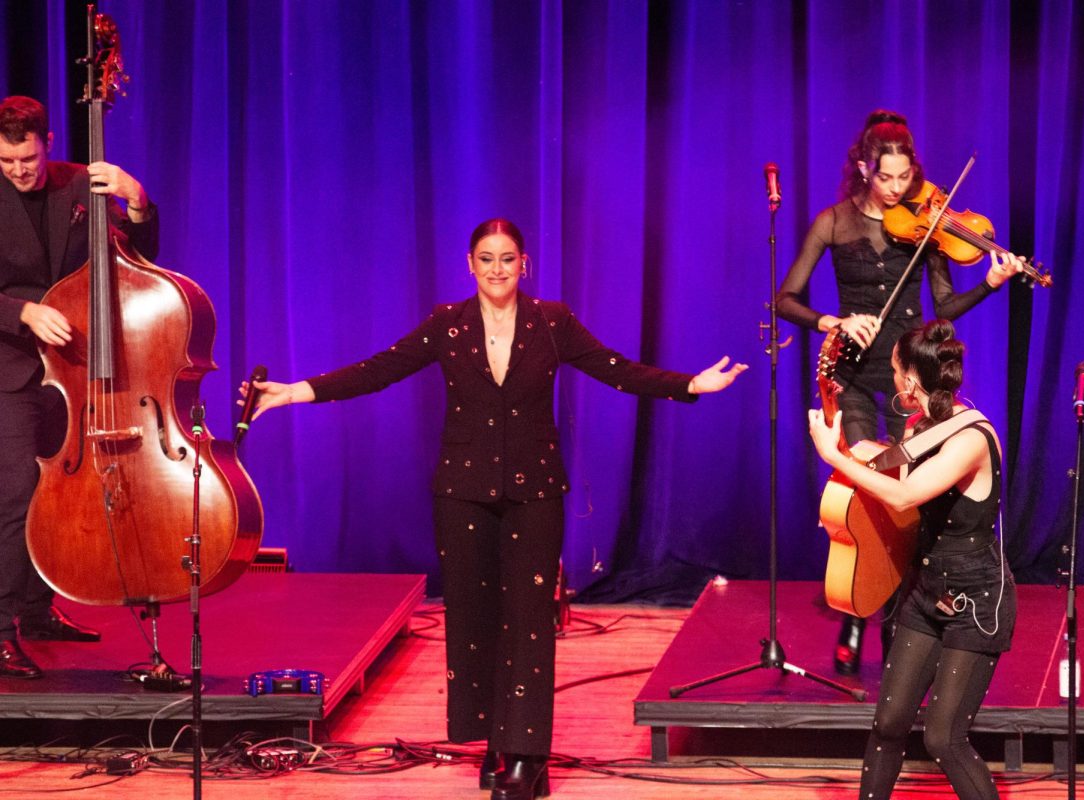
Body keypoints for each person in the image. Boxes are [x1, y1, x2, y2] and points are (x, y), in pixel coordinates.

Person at [244, 218, 747, 800]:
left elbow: (617, 370)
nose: (497, 269)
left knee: (529, 621)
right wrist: (295, 391)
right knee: (475, 620)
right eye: (487, 259)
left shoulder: (551, 323)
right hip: (462, 492)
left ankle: (528, 758)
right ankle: (494, 743)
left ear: (524, 264)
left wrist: (690, 385)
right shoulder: (446, 325)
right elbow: (380, 370)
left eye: (508, 259)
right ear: (470, 264)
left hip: (534, 491)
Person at [776, 109, 1022, 675]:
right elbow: (784, 298)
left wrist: (988, 282)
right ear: (864, 168)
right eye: (885, 178)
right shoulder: (833, 223)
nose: (895, 189)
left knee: (908, 506)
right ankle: (855, 613)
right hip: (858, 381)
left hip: (912, 390)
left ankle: (893, 628)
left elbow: (946, 308)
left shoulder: (926, 224)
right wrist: (830, 322)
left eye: (904, 179)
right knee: (866, 497)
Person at [808, 319, 1015, 799]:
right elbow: (885, 483)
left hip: (976, 602)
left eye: (894, 369)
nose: (891, 377)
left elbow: (905, 498)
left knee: (944, 738)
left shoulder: (971, 438)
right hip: (925, 593)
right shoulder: (918, 427)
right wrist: (845, 450)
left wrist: (833, 459)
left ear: (907, 381)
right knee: (888, 724)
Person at [0, 96, 159, 679]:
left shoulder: (78, 184)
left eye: (28, 158)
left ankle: (38, 612)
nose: (19, 170)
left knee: (56, 494)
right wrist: (20, 312)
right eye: (7, 161)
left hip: (68, 367)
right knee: (16, 497)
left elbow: (137, 258)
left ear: (47, 142)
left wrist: (136, 200)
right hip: (9, 366)